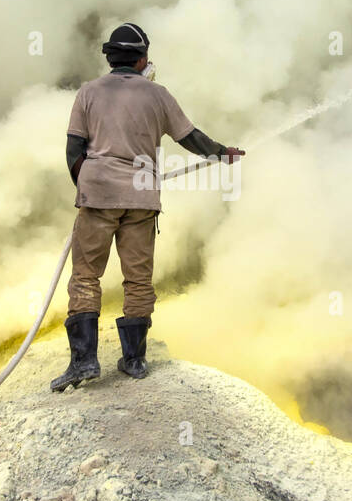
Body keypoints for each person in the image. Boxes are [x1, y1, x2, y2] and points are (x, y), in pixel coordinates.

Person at [51, 22, 243, 391]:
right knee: (137, 279)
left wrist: (90, 186)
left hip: (98, 195)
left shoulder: (88, 92)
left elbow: (74, 150)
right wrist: (223, 153)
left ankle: (84, 361)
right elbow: (191, 138)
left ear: (110, 58)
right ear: (142, 59)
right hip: (141, 198)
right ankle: (134, 360)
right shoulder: (158, 95)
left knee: (86, 276)